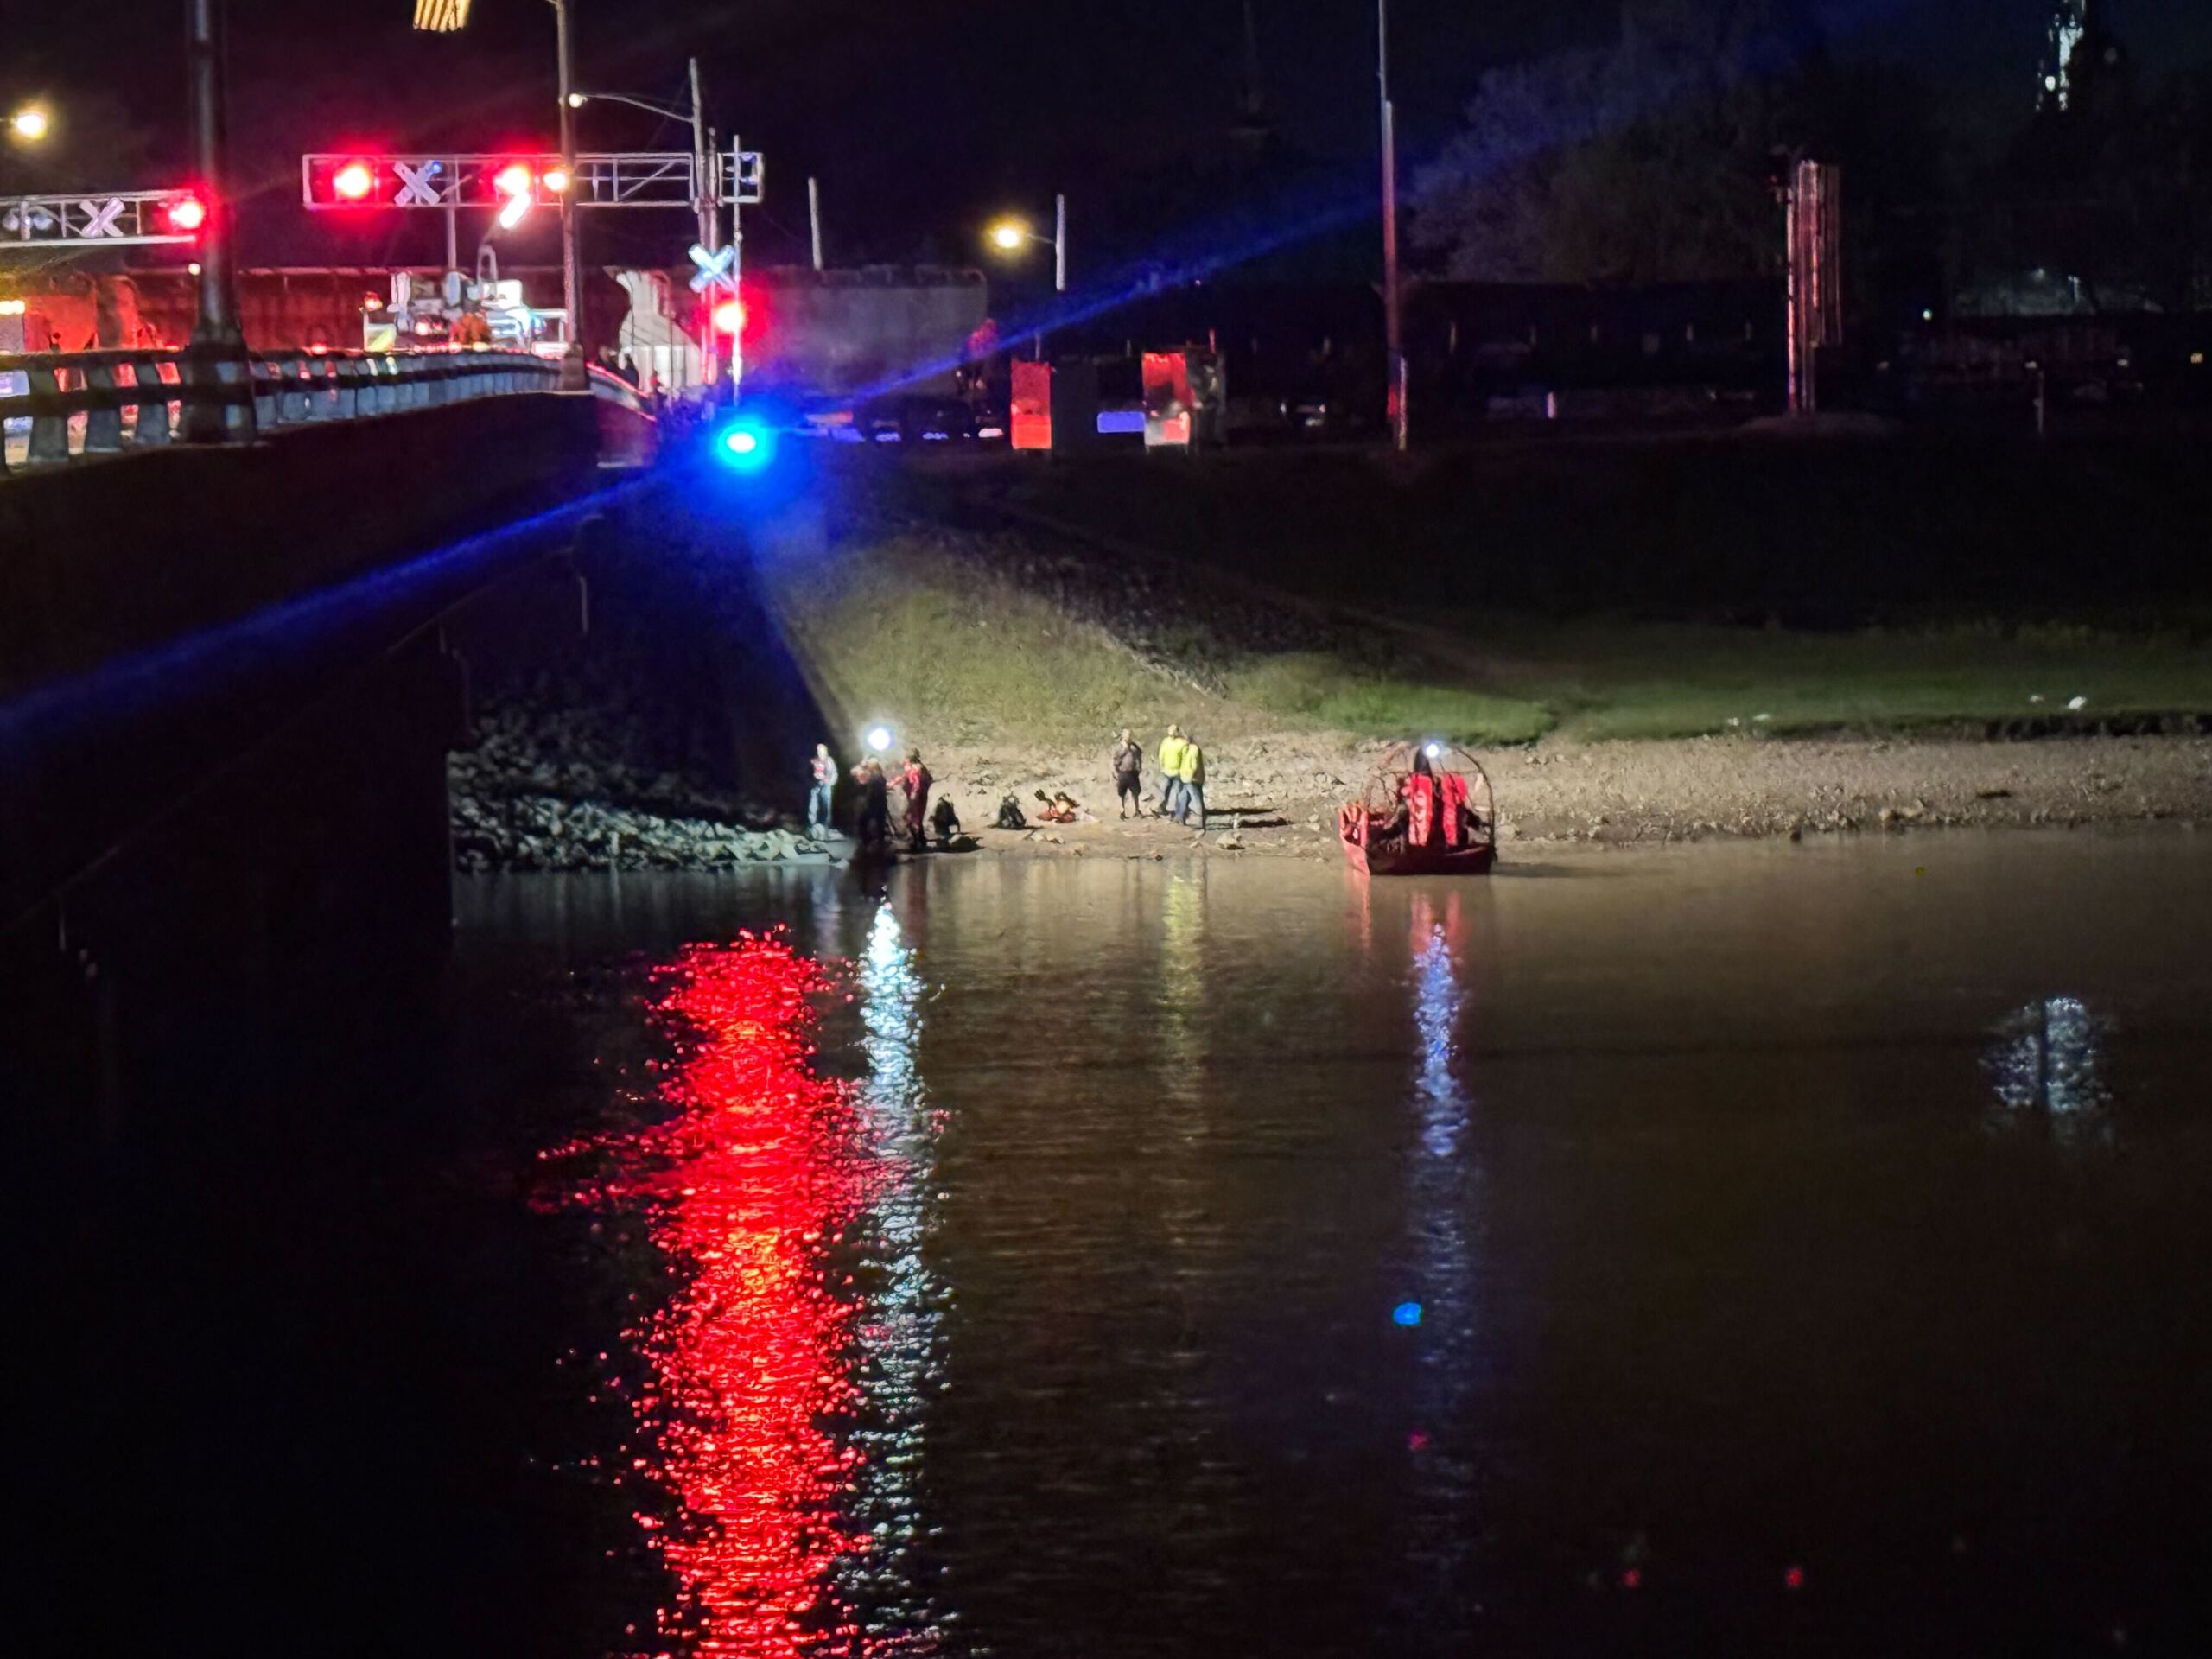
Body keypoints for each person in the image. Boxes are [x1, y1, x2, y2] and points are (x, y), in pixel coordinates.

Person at [851, 757, 891, 850]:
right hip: (879, 804)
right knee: (878, 823)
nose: (867, 766)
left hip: (875, 805)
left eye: (869, 764)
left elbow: (873, 793)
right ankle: (878, 843)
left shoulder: (875, 777)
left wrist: (868, 804)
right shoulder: (879, 776)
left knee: (866, 822)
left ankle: (872, 844)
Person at [898, 750, 933, 853]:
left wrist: (914, 793)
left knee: (912, 818)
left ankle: (916, 842)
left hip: (916, 797)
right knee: (916, 818)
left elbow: (917, 783)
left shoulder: (916, 768)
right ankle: (920, 840)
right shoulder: (919, 768)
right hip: (919, 796)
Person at [1155, 724, 1188, 818]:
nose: (1171, 732)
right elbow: (1161, 754)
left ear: (1177, 731)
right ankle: (1162, 808)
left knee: (1178, 791)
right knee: (1165, 790)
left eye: (1173, 730)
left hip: (1178, 772)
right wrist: (1161, 766)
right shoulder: (1165, 741)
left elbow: (1185, 757)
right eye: (1170, 730)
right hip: (1167, 771)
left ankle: (1178, 812)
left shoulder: (1182, 743)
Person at [1174, 734, 1206, 830]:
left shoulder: (1194, 749)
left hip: (1193, 778)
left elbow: (1194, 765)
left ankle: (1200, 820)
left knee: (1196, 799)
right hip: (1184, 777)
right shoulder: (1185, 749)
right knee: (1182, 797)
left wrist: (1191, 775)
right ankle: (1180, 817)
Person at [805, 742, 838, 837]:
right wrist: (812, 778)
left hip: (825, 785)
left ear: (825, 751)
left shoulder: (829, 761)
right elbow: (808, 773)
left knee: (826, 806)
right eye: (818, 751)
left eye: (821, 751)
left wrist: (828, 781)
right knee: (812, 806)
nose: (819, 753)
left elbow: (834, 774)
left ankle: (825, 828)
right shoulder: (814, 761)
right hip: (815, 785)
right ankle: (811, 827)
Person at [1110, 728, 1143, 819]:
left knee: (1136, 792)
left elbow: (1139, 755)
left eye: (1130, 735)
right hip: (1123, 772)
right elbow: (1116, 759)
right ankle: (1122, 811)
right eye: (1127, 735)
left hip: (1133, 772)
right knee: (1122, 793)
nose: (1129, 737)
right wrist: (1125, 749)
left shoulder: (1134, 747)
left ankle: (1137, 810)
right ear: (1122, 736)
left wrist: (1139, 766)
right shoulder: (1119, 747)